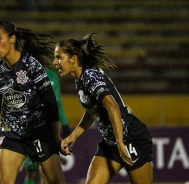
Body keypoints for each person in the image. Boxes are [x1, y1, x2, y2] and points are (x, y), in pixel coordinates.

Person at [53, 33, 153, 184]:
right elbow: (94, 110)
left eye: (59, 57)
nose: (55, 62)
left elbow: (113, 107)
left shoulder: (90, 77)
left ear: (73, 59)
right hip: (111, 142)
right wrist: (72, 137)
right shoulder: (80, 80)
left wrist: (120, 142)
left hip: (131, 138)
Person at [0, 20, 66, 184]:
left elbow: (51, 102)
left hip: (40, 132)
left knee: (55, 181)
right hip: (12, 135)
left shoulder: (31, 65)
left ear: (12, 39)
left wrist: (55, 136)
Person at [23, 68, 71, 184]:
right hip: (30, 128)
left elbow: (57, 103)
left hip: (48, 129)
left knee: (47, 172)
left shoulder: (52, 76)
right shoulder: (24, 74)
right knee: (31, 170)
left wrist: (65, 125)